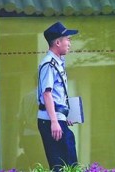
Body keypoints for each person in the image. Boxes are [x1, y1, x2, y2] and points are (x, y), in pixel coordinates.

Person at [37, 21, 78, 171]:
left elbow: (56, 95)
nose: (70, 43)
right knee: (61, 164)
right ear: (58, 42)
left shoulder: (57, 63)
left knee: (69, 160)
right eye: (68, 39)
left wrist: (63, 116)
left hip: (57, 118)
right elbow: (47, 94)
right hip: (49, 121)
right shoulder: (49, 64)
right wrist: (54, 121)